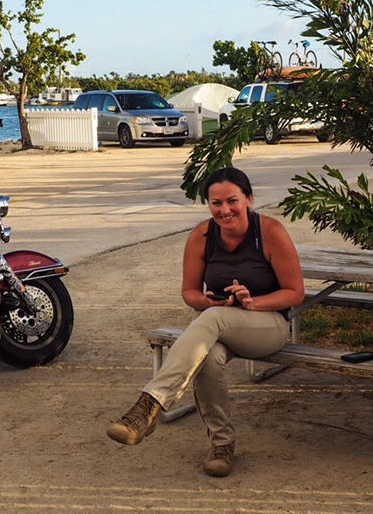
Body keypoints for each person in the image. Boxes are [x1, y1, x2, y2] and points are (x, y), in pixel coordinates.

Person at [106, 167, 305, 477]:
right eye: (216, 203)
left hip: (268, 325)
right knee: (207, 357)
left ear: (249, 199)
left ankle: (149, 405)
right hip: (219, 326)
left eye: (232, 201)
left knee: (210, 320)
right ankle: (222, 444)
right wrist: (210, 301)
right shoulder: (201, 236)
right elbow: (189, 293)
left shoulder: (270, 232)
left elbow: (295, 293)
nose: (225, 210)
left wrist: (253, 302)